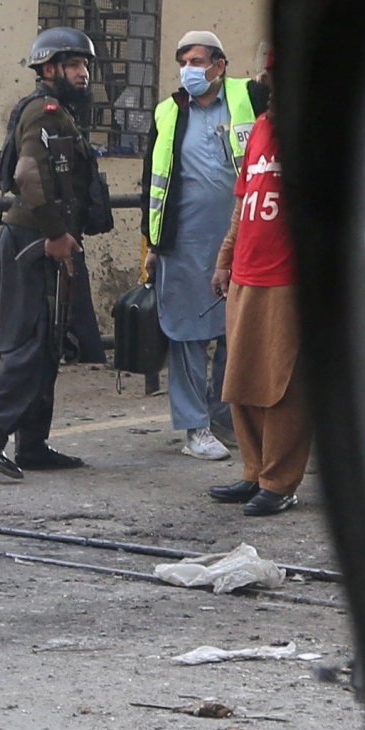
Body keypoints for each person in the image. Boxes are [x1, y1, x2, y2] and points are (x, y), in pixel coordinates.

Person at [0, 28, 107, 480]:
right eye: (73, 64)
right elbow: (27, 176)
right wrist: (56, 234)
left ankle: (32, 444)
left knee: (51, 343)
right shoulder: (46, 113)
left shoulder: (59, 112)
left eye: (85, 65)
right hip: (36, 240)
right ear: (48, 68)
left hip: (45, 237)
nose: (82, 73)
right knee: (32, 342)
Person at [144, 27, 258, 460]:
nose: (188, 70)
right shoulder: (168, 112)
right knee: (188, 333)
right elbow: (153, 181)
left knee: (237, 332)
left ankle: (225, 417)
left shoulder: (249, 97)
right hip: (185, 241)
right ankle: (195, 427)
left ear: (219, 65)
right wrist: (152, 243)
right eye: (183, 63)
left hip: (242, 238)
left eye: (196, 62)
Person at [210, 79, 307, 519]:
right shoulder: (262, 128)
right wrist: (225, 259)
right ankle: (254, 470)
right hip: (247, 274)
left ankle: (279, 481)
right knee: (242, 379)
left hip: (289, 280)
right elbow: (243, 200)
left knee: (282, 384)